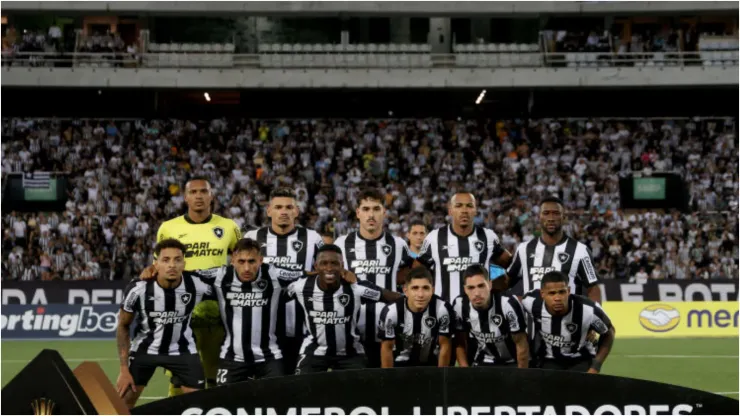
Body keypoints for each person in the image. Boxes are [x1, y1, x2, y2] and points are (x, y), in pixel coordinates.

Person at [155, 176, 241, 395]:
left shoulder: (228, 227)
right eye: (193, 192)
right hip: (181, 311)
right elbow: (160, 265)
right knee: (178, 376)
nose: (199, 196)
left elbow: (241, 260)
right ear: (185, 198)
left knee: (214, 373)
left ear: (211, 195)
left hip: (218, 312)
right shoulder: (168, 228)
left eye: (204, 191)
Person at [116, 239, 213, 409]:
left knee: (199, 407)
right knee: (121, 406)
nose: (172, 265)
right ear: (156, 264)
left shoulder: (196, 283)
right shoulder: (138, 289)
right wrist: (124, 369)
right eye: (166, 260)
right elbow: (123, 325)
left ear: (184, 263)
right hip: (144, 351)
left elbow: (229, 278)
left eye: (177, 259)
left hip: (183, 351)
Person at [287, 244, 403, 374]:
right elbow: (278, 298)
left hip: (350, 352)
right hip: (314, 350)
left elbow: (395, 298)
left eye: (334, 263)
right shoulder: (300, 287)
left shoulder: (356, 288)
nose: (329, 268)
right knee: (301, 387)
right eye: (324, 263)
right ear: (316, 266)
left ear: (342, 266)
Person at [245, 187, 324, 375]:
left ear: (296, 211)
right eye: (278, 207)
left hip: (301, 326)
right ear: (269, 211)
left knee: (297, 383)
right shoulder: (252, 238)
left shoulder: (312, 239)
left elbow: (320, 275)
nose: (284, 212)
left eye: (289, 207)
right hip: (261, 327)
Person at [334, 188, 415, 368]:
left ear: (384, 212)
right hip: (354, 328)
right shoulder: (342, 244)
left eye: (376, 209)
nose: (371, 215)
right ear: (358, 213)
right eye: (366, 209)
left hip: (389, 328)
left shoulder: (399, 244)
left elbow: (407, 277)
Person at [415, 192, 513, 303]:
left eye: (469, 206)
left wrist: (495, 286)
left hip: (479, 313)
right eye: (458, 206)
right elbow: (416, 274)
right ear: (450, 210)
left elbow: (513, 266)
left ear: (475, 210)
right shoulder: (434, 237)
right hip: (445, 313)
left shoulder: (488, 236)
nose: (464, 210)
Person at [507, 196, 601, 302]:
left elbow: (593, 288)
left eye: (556, 213)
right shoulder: (524, 249)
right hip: (532, 318)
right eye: (546, 213)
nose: (551, 218)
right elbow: (506, 281)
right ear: (539, 216)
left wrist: (596, 317)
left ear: (563, 217)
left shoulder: (580, 251)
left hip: (568, 318)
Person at [520, 271, 615, 373]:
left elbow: (609, 333)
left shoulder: (588, 309)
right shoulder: (530, 302)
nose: (557, 298)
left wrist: (595, 367)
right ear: (542, 294)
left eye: (562, 292)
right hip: (549, 359)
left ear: (569, 291)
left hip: (581, 359)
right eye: (552, 293)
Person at [452, 264, 529, 368]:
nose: (477, 293)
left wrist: (522, 378)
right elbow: (459, 342)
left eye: (481, 286)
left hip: (512, 363)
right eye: (471, 288)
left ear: (490, 285)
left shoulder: (508, 304)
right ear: (465, 289)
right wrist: (466, 372)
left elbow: (521, 344)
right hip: (482, 362)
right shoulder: (459, 305)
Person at [378, 267, 455, 368]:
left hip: (431, 366)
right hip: (400, 367)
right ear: (405, 290)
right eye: (415, 288)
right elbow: (387, 348)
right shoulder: (391, 312)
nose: (420, 294)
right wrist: (389, 379)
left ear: (432, 290)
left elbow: (445, 346)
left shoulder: (442, 309)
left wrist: (441, 378)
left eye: (426, 288)